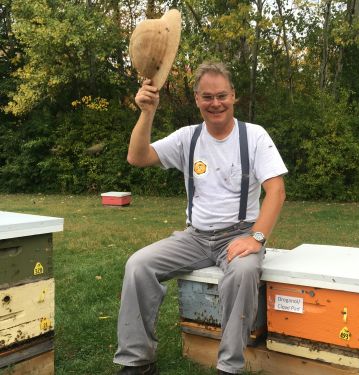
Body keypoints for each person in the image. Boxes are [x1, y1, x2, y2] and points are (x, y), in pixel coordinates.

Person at [114, 61, 288, 375]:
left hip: (238, 235)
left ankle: (229, 367)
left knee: (243, 272)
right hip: (194, 237)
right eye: (207, 97)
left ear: (233, 96)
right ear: (197, 99)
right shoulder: (187, 138)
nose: (215, 103)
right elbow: (137, 157)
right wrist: (147, 112)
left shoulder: (255, 137)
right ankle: (137, 361)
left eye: (222, 95)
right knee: (138, 266)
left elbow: (276, 191)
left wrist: (256, 237)